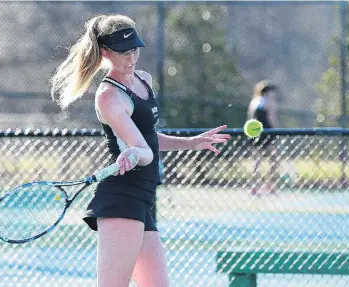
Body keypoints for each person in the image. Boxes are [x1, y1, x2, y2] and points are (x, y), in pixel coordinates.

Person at [51, 14, 230, 287]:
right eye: (122, 52)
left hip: (142, 199)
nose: (131, 57)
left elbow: (148, 140)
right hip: (122, 198)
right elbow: (143, 150)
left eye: (134, 48)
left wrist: (191, 143)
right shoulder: (109, 97)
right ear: (105, 53)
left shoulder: (143, 80)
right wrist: (134, 154)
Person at [247, 80, 279, 196]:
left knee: (257, 162)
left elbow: (250, 119)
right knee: (274, 161)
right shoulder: (269, 102)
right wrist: (274, 132)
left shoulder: (254, 102)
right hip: (265, 135)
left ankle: (255, 188)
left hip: (255, 135)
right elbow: (272, 119)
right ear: (267, 92)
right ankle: (268, 186)